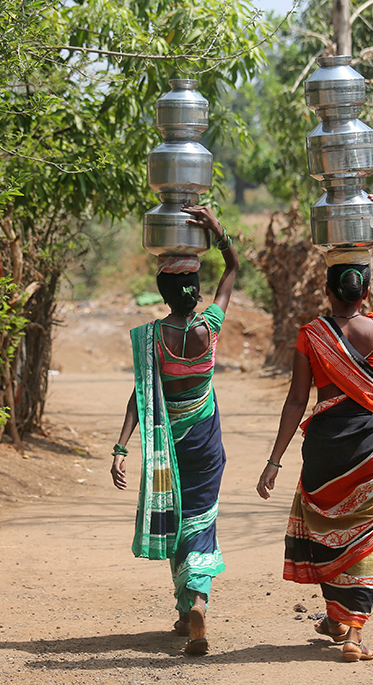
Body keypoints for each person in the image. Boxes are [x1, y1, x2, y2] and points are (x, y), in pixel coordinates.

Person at [255, 194, 373, 663]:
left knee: (326, 529)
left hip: (324, 451)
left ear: (327, 290)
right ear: (366, 292)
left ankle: (336, 615)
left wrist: (274, 460)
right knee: (366, 534)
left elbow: (295, 401)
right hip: (372, 450)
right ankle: (351, 634)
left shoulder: (311, 335)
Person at [111, 204, 238, 656]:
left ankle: (188, 610)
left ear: (163, 292)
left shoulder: (153, 339)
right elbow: (234, 269)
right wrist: (217, 231)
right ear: (196, 291)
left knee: (176, 516)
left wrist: (120, 447)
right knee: (202, 518)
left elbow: (140, 396)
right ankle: (198, 599)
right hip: (204, 437)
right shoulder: (211, 328)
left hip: (167, 443)